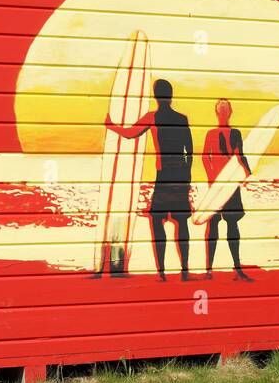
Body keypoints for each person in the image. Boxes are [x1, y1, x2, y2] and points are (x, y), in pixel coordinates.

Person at [105, 78, 193, 281]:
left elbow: (130, 134)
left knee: (156, 221)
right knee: (181, 222)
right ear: (170, 96)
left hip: (164, 176)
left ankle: (162, 272)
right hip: (180, 175)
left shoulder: (152, 117)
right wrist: (187, 176)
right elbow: (190, 150)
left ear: (156, 96)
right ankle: (185, 270)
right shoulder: (182, 118)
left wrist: (111, 126)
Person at [199, 98, 253, 281]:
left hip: (230, 185)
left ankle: (236, 268)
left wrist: (247, 172)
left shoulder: (235, 133)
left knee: (232, 225)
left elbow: (240, 155)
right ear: (218, 113)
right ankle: (209, 269)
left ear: (229, 113)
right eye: (221, 110)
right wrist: (211, 178)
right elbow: (205, 157)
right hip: (216, 186)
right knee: (212, 225)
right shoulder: (211, 133)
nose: (223, 113)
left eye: (225, 110)